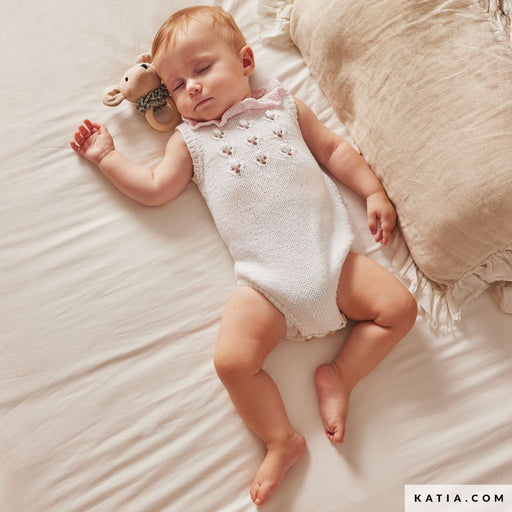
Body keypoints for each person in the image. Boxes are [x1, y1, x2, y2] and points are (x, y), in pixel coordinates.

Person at [70, 6, 417, 506]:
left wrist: (373, 192)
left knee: (400, 308)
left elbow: (334, 151)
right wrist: (108, 157)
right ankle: (281, 440)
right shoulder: (190, 140)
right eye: (175, 85)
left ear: (246, 61)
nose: (191, 87)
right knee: (232, 362)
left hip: (333, 258)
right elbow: (155, 187)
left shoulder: (284, 106)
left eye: (202, 68)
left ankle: (341, 375)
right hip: (265, 283)